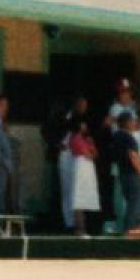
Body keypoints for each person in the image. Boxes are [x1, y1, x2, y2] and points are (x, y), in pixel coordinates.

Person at [114, 112, 140, 236]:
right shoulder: (128, 138)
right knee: (135, 204)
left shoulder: (116, 136)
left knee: (133, 203)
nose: (135, 123)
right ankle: (129, 231)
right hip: (133, 175)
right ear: (127, 122)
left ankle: (137, 230)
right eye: (133, 121)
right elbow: (132, 156)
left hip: (123, 174)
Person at [58, 96, 87, 230]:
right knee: (67, 188)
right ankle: (68, 222)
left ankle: (77, 221)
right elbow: (49, 130)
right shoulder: (64, 116)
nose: (83, 108)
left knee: (77, 188)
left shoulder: (84, 119)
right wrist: (56, 144)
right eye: (80, 105)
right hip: (66, 152)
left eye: (85, 105)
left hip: (78, 155)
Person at [69, 118, 101, 236]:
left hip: (88, 169)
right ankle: (79, 228)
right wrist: (90, 151)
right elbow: (87, 155)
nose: (85, 126)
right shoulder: (75, 138)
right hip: (80, 167)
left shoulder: (87, 139)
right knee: (78, 197)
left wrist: (91, 144)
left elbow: (95, 155)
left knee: (86, 197)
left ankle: (85, 228)